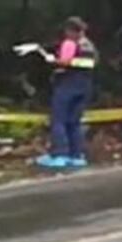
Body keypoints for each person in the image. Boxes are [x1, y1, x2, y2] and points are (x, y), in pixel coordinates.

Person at [36, 17, 97, 168]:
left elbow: (65, 62)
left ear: (69, 30)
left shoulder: (70, 43)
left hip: (68, 84)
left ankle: (60, 154)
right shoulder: (89, 46)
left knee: (58, 119)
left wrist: (52, 60)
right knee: (74, 121)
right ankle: (76, 155)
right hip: (85, 85)